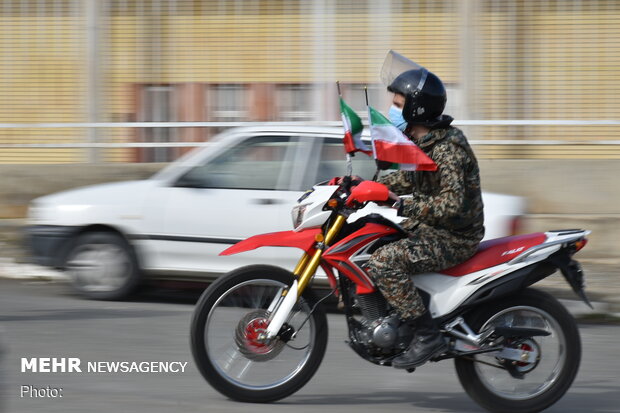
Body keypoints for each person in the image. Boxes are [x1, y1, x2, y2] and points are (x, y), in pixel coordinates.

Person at [368, 66, 485, 369]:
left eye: (396, 105)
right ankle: (399, 318)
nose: (391, 111)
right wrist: (368, 187)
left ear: (415, 107)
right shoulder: (425, 141)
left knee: (385, 261)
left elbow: (452, 204)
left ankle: (426, 334)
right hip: (431, 229)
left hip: (453, 237)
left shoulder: (447, 148)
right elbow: (411, 181)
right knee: (372, 240)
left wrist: (404, 208)